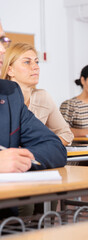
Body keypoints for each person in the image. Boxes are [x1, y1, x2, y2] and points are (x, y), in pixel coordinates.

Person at [0, 21, 67, 217]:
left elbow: (54, 147)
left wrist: (18, 159)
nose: (3, 50)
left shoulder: (9, 96)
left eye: (3, 40)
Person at [1, 43, 74, 146]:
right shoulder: (2, 99)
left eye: (37, 62)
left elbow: (66, 134)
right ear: (10, 70)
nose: (36, 67)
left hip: (33, 160)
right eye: (27, 62)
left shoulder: (42, 97)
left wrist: (40, 147)